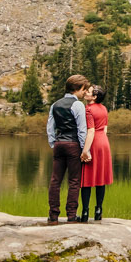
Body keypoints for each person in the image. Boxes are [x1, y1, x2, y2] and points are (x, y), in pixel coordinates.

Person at [46, 74, 90, 223]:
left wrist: (53, 143)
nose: (85, 92)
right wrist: (84, 150)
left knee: (55, 180)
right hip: (73, 145)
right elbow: (82, 129)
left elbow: (50, 128)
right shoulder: (78, 105)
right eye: (84, 89)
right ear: (77, 88)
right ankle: (71, 216)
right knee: (74, 181)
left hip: (59, 144)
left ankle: (53, 215)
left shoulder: (55, 104)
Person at [80, 83, 113, 221]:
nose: (86, 92)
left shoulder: (88, 109)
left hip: (93, 143)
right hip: (104, 143)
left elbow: (91, 131)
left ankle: (85, 212)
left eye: (89, 92)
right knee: (101, 178)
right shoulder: (104, 109)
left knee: (87, 179)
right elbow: (104, 129)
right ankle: (98, 210)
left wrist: (85, 151)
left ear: (94, 96)